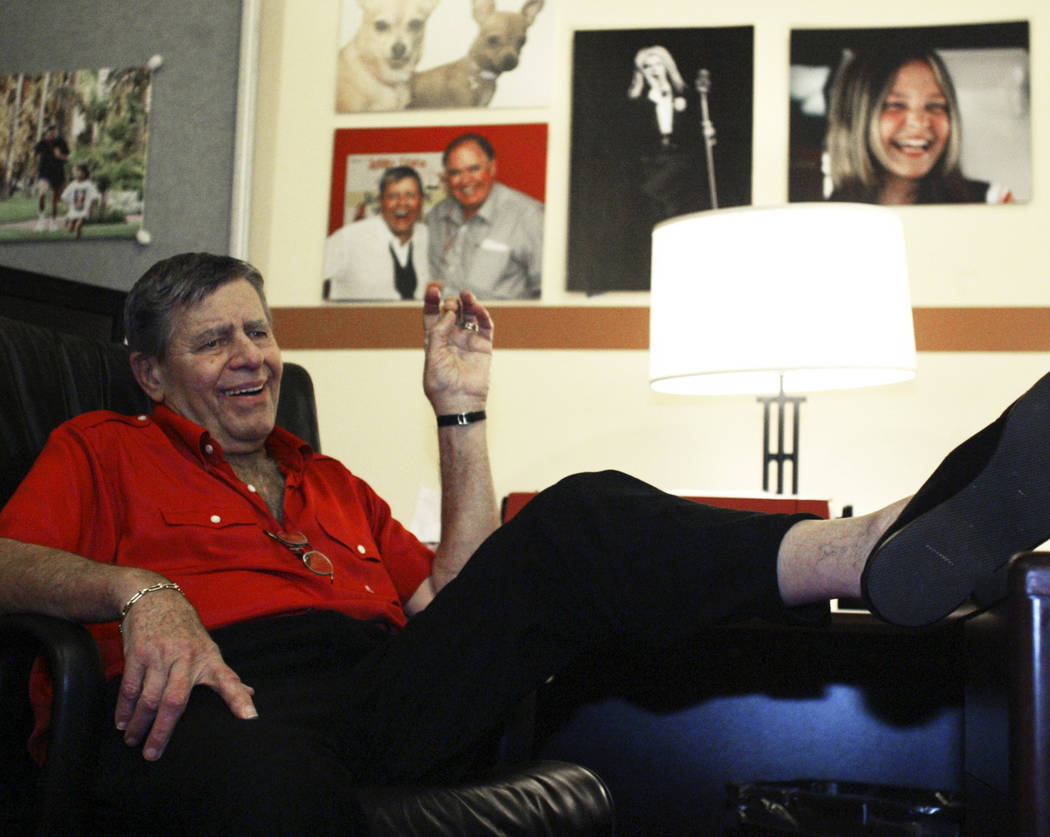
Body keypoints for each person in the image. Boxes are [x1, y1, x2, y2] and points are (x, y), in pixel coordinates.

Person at [2, 251, 1048, 833]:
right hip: (205, 702)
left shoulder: (327, 476)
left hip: (373, 689)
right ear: (150, 373)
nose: (252, 356)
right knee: (276, 790)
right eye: (214, 338)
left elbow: (457, 600)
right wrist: (141, 591)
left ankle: (862, 550)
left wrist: (461, 411)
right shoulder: (100, 446)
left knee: (575, 516)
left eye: (260, 330)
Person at [825, 46, 1013, 205]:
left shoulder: (992, 202)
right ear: (857, 119)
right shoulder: (823, 218)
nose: (920, 122)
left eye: (935, 106)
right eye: (895, 105)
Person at [426, 133, 543, 300]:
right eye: (455, 173)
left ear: (493, 167)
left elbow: (548, 292)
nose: (465, 180)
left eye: (473, 169)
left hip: (502, 323)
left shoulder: (529, 216)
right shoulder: (437, 215)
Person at [324, 166, 431, 301]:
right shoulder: (348, 239)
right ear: (381, 202)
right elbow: (300, 276)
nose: (402, 203)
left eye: (410, 195)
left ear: (421, 201)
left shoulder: (429, 237)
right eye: (393, 196)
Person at [627, 45, 689, 148]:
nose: (654, 70)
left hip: (681, 154)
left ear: (667, 67)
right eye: (647, 66)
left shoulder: (681, 92)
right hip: (649, 158)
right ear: (641, 72)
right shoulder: (638, 99)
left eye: (659, 64)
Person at [32, 124, 70, 232]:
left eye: (54, 133)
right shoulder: (42, 143)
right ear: (47, 133)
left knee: (54, 200)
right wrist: (34, 170)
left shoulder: (61, 142)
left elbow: (68, 157)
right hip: (44, 172)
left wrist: (60, 156)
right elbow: (35, 156)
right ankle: (41, 220)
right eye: (50, 133)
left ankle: (53, 222)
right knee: (42, 193)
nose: (53, 135)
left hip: (57, 173)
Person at [60, 163, 102, 239]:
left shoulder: (88, 185)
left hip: (84, 209)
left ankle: (77, 239)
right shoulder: (72, 185)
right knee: (70, 228)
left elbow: (94, 196)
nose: (75, 174)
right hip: (74, 208)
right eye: (74, 172)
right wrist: (67, 207)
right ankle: (75, 229)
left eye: (77, 171)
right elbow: (64, 196)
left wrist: (91, 207)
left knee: (78, 225)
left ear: (84, 173)